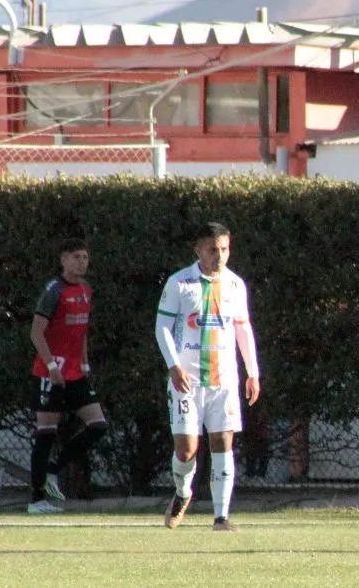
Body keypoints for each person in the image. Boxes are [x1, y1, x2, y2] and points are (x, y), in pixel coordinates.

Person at [155, 222, 261, 532]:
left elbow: (243, 328)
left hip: (223, 379)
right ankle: (182, 492)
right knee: (186, 450)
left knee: (222, 442)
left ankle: (221, 517)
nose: (220, 256)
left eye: (225, 249)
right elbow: (162, 328)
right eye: (213, 249)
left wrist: (252, 372)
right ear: (198, 250)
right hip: (186, 382)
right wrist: (174, 366)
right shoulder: (179, 283)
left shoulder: (235, 285)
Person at [27, 238, 108, 514]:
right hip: (50, 372)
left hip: (74, 372)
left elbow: (81, 331)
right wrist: (51, 366)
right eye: (76, 257)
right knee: (46, 432)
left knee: (98, 426)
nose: (81, 262)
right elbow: (36, 332)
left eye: (85, 257)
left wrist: (84, 363)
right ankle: (36, 499)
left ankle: (53, 468)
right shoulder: (54, 290)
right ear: (63, 260)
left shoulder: (86, 290)